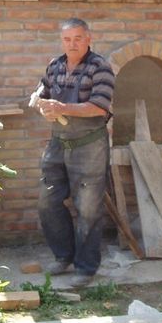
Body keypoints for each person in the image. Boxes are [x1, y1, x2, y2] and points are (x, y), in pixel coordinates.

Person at [33, 17, 115, 288]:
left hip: (89, 146)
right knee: (47, 202)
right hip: (58, 144)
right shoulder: (54, 66)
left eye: (78, 38)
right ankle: (63, 256)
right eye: (67, 39)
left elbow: (99, 106)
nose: (72, 44)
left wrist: (63, 108)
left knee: (88, 209)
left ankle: (85, 268)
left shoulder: (100, 67)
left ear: (88, 39)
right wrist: (41, 104)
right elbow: (42, 92)